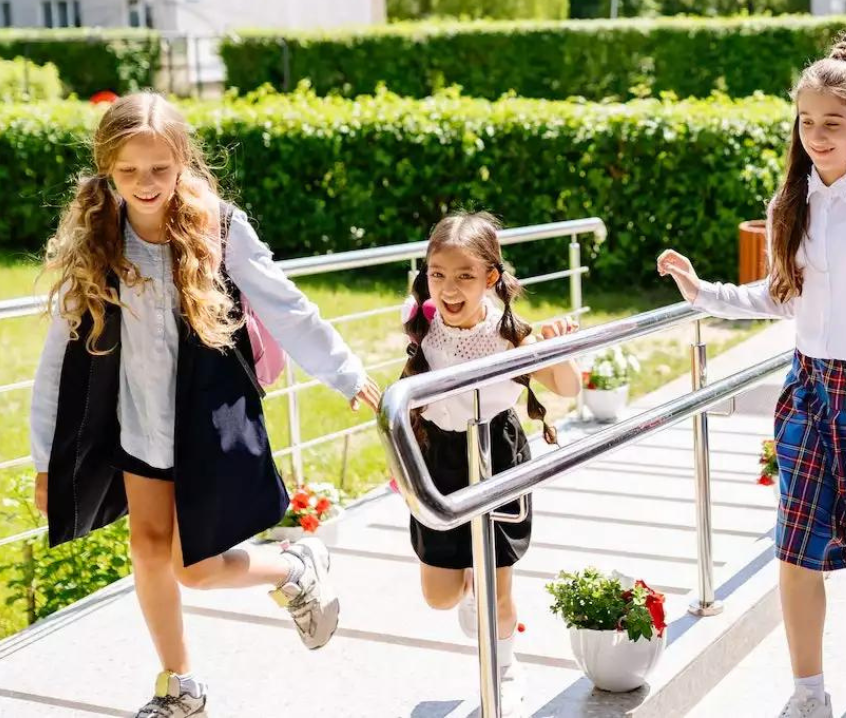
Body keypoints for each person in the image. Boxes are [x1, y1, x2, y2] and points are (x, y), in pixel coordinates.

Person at [30, 92, 382, 718]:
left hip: (204, 421)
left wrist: (343, 370)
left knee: (194, 569)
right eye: (129, 171)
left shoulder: (217, 225)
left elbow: (284, 303)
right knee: (147, 550)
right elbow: (58, 359)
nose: (145, 183)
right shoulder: (96, 239)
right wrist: (44, 462)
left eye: (159, 169)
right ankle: (179, 686)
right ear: (107, 167)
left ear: (182, 163)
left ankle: (292, 566)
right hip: (136, 428)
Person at [657, 32, 846, 718]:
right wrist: (705, 294)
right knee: (796, 544)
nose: (817, 135)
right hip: (813, 394)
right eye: (807, 122)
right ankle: (808, 694)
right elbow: (780, 297)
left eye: (833, 123)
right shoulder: (791, 202)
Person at [399, 212, 581, 717]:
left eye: (464, 276)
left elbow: (568, 389)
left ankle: (505, 668)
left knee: (495, 588)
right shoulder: (421, 321)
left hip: (496, 456)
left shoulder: (510, 334)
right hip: (439, 457)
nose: (449, 287)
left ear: (490, 278)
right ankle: (470, 599)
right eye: (439, 274)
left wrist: (557, 349)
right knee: (440, 596)